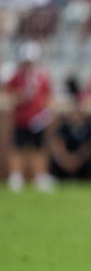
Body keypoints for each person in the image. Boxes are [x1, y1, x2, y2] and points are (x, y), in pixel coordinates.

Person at [5, 41, 55, 193]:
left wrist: (46, 111)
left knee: (39, 148)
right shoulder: (17, 76)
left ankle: (39, 176)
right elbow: (7, 93)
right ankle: (15, 176)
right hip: (21, 118)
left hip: (37, 119)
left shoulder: (42, 76)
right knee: (17, 147)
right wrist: (17, 97)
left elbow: (49, 95)